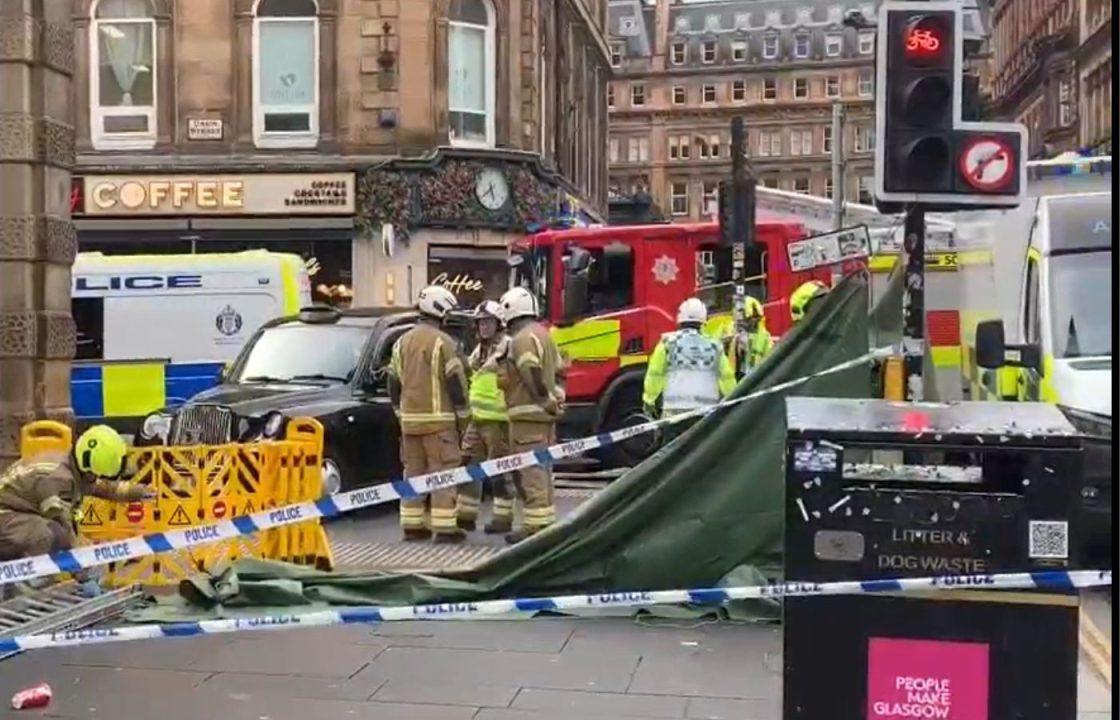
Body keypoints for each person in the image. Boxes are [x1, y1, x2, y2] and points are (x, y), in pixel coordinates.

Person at [0, 425, 151, 597]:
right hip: (5, 519)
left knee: (49, 533)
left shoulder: (73, 465)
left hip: (12, 520)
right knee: (49, 533)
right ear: (90, 469)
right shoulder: (58, 479)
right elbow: (66, 533)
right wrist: (86, 574)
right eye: (97, 475)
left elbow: (106, 488)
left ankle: (22, 581)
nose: (97, 479)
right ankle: (29, 589)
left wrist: (139, 492)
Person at [388, 285, 471, 543]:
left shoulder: (402, 342)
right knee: (443, 474)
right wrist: (464, 418)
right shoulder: (444, 342)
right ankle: (445, 529)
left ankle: (412, 526)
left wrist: (400, 413)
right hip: (439, 424)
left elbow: (392, 381)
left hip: (409, 424)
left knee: (413, 474)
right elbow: (456, 383)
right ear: (441, 311)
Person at [498, 286, 565, 544]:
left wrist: (545, 399)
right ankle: (545, 523)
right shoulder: (544, 335)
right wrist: (558, 396)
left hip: (528, 418)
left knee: (530, 473)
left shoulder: (522, 339)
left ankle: (535, 529)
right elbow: (559, 371)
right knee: (544, 472)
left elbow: (530, 371)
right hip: (544, 419)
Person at [456, 300, 516, 535]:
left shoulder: (507, 347)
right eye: (480, 323)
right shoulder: (478, 350)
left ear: (499, 323)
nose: (483, 327)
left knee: (499, 469)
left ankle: (503, 518)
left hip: (499, 420)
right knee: (469, 463)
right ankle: (466, 516)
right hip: (477, 417)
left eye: (488, 322)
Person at [643, 297, 736, 419]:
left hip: (674, 410)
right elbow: (726, 377)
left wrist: (649, 400)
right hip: (706, 411)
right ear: (703, 321)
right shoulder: (715, 346)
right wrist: (733, 400)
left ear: (680, 319)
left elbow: (655, 373)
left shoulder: (667, 343)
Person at [727, 296, 774, 379]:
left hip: (756, 379)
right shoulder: (730, 332)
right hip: (735, 379)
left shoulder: (764, 336)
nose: (755, 322)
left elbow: (771, 359)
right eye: (751, 318)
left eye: (757, 318)